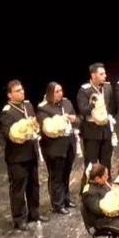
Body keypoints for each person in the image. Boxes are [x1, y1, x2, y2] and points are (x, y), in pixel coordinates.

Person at [0, 80, 44, 230]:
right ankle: (19, 218)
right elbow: (7, 134)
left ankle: (35, 213)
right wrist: (22, 133)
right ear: (10, 94)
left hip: (31, 153)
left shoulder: (28, 105)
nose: (22, 92)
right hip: (17, 157)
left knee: (34, 185)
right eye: (18, 91)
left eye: (22, 89)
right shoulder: (7, 112)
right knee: (18, 188)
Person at [36, 81, 76, 214]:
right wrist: (60, 121)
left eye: (61, 91)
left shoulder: (67, 103)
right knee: (56, 176)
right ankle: (57, 204)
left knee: (66, 173)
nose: (60, 94)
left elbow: (77, 119)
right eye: (57, 91)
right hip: (54, 147)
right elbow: (46, 128)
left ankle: (66, 199)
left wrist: (73, 119)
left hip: (69, 144)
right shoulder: (43, 108)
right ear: (50, 93)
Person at [76, 63, 117, 173]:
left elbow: (112, 106)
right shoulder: (84, 90)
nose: (105, 76)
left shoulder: (108, 87)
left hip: (106, 130)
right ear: (93, 76)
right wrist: (93, 103)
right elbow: (83, 110)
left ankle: (107, 188)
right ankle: (88, 189)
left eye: (105, 73)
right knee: (91, 164)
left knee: (106, 162)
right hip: (91, 131)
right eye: (101, 74)